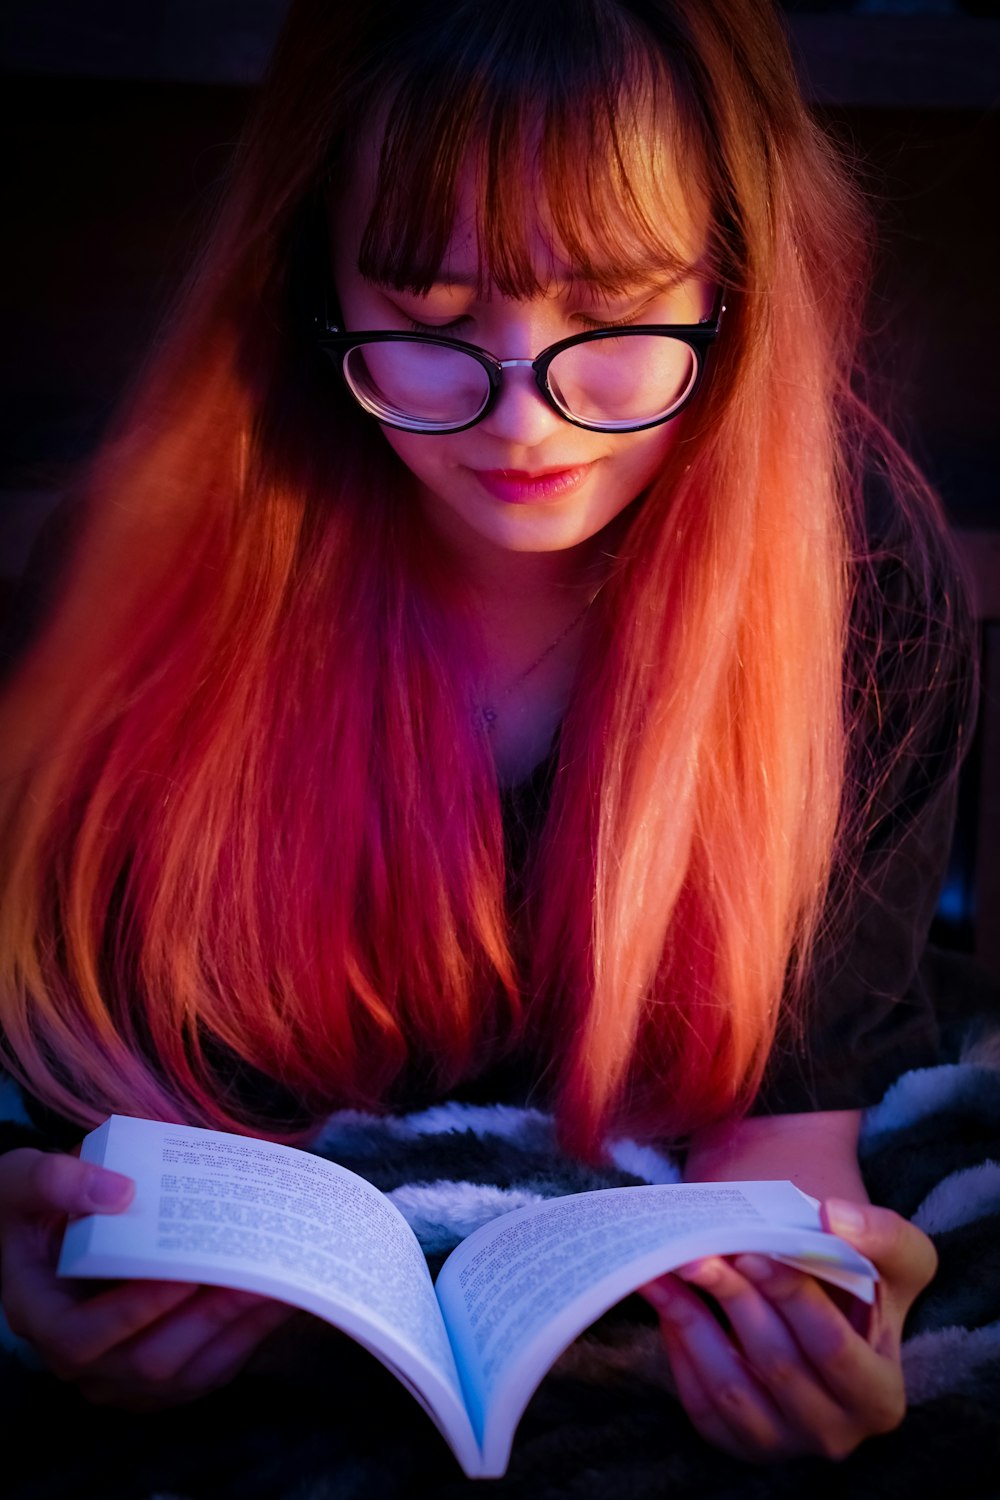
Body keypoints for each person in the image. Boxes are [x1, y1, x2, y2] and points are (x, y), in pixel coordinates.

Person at [0, 0, 979, 1470]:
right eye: (436, 320)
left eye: (615, 312)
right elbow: (116, 1122)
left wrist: (811, 1311)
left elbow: (791, 1129)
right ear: (310, 277)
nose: (526, 418)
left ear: (737, 280)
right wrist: (53, 1279)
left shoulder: (860, 585)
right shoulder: (153, 573)